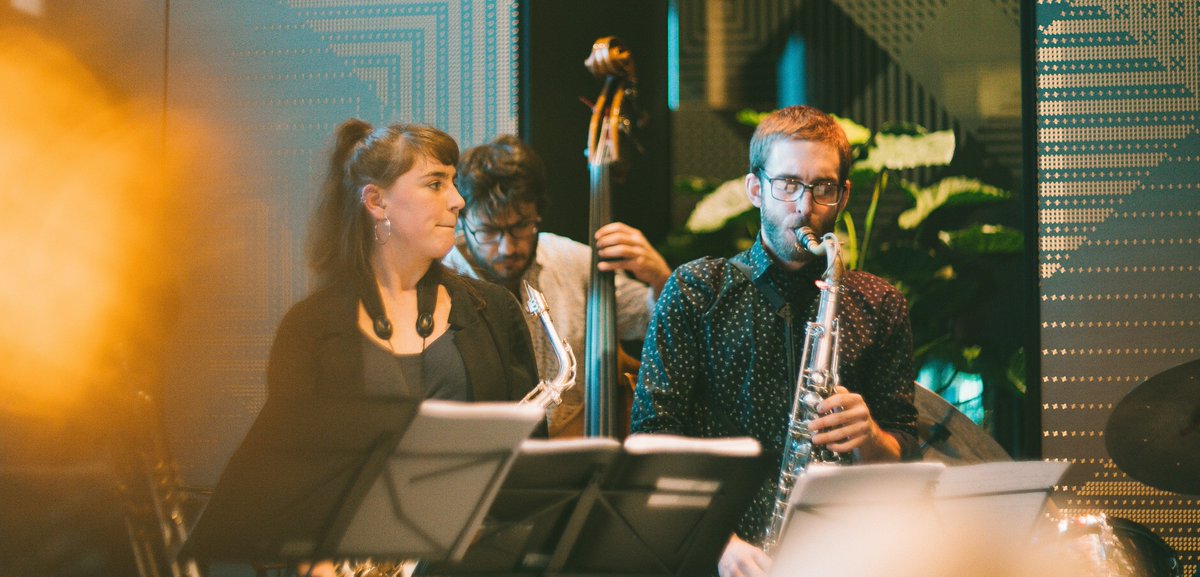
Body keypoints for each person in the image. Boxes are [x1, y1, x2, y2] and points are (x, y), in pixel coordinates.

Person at [630, 105, 919, 577]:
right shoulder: (695, 291)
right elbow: (652, 439)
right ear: (755, 189)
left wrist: (870, 438)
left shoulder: (879, 303)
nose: (803, 207)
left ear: (843, 196)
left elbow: (904, 451)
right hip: (721, 558)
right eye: (787, 185)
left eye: (821, 188)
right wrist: (718, 543)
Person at [267, 119, 538, 406]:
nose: (458, 200)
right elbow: (287, 447)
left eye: (453, 183)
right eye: (435, 184)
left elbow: (530, 443)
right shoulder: (309, 326)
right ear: (376, 201)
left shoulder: (497, 310)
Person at [443, 135, 671, 436]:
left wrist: (661, 279)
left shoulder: (573, 260)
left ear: (539, 212)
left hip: (578, 452)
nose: (507, 247)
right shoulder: (439, 278)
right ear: (462, 219)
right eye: (488, 230)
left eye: (522, 226)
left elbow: (647, 319)